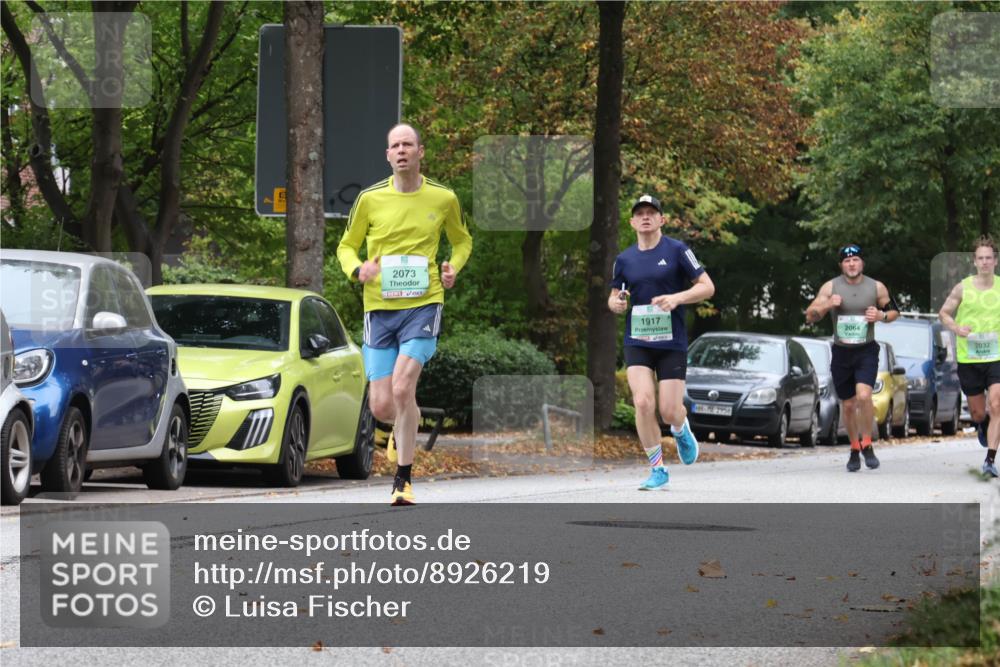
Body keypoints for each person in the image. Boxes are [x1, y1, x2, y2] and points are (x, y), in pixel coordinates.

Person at [337, 123, 472, 506]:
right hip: (378, 307)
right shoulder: (369, 199)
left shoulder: (443, 198)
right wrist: (358, 269)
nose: (401, 151)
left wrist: (453, 267)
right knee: (382, 405)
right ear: (387, 155)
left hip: (424, 302)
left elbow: (462, 241)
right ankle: (402, 424)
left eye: (407, 145)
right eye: (394, 145)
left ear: (420, 152)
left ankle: (403, 480)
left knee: (402, 387)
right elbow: (346, 246)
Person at [608, 194, 715, 490]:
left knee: (669, 410)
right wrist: (616, 304)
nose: (645, 217)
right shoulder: (624, 259)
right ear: (631, 222)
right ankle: (657, 469)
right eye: (639, 213)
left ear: (661, 219)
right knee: (642, 402)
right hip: (638, 340)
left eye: (651, 213)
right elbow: (614, 296)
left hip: (672, 341)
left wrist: (677, 298)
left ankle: (680, 429)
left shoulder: (678, 250)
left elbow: (707, 287)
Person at [805, 244, 900, 472]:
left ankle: (867, 443)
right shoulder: (831, 287)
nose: (851, 264)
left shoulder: (876, 287)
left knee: (865, 395)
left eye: (855, 259)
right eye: (847, 261)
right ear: (841, 265)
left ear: (862, 263)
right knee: (847, 406)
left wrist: (881, 315)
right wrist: (828, 304)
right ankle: (854, 448)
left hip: (866, 350)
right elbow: (810, 316)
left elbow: (895, 311)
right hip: (841, 352)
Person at [938, 235, 1000, 477]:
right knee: (977, 412)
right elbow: (944, 313)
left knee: (996, 404)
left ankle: (990, 460)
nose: (985, 262)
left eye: (989, 258)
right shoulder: (962, 287)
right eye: (980, 258)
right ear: (974, 261)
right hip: (970, 358)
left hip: (996, 356)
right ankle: (982, 425)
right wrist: (956, 328)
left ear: (995, 261)